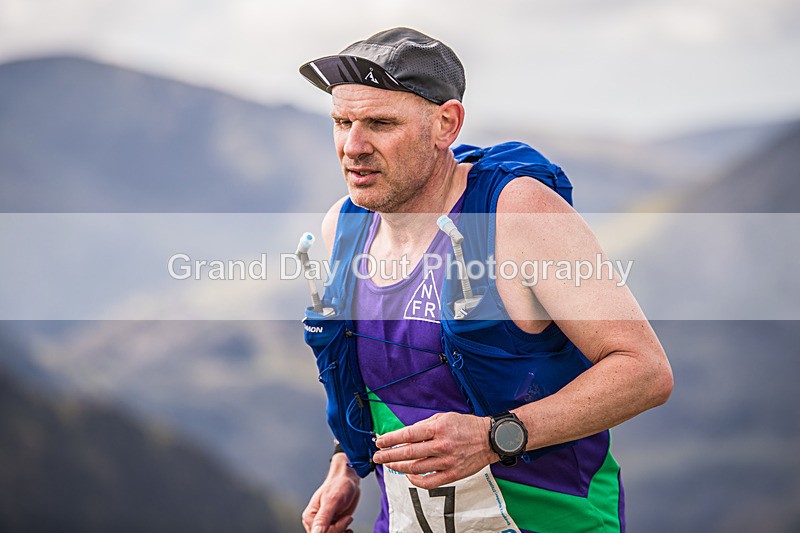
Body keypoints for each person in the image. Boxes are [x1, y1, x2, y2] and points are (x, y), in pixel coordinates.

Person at [298, 27, 673, 533]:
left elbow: (645, 372)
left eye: (380, 123)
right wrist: (347, 464)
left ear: (445, 125)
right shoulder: (342, 228)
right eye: (342, 122)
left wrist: (496, 437)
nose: (353, 146)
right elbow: (372, 380)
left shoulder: (515, 214)